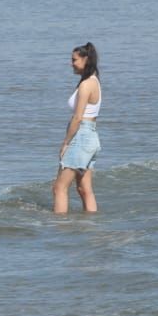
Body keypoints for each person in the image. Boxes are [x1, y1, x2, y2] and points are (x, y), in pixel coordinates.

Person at [53, 43, 102, 215]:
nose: (71, 63)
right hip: (91, 137)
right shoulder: (94, 81)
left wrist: (66, 143)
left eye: (74, 60)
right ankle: (91, 225)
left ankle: (59, 229)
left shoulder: (86, 84)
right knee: (84, 188)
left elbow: (78, 117)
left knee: (59, 188)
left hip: (81, 137)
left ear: (86, 59)